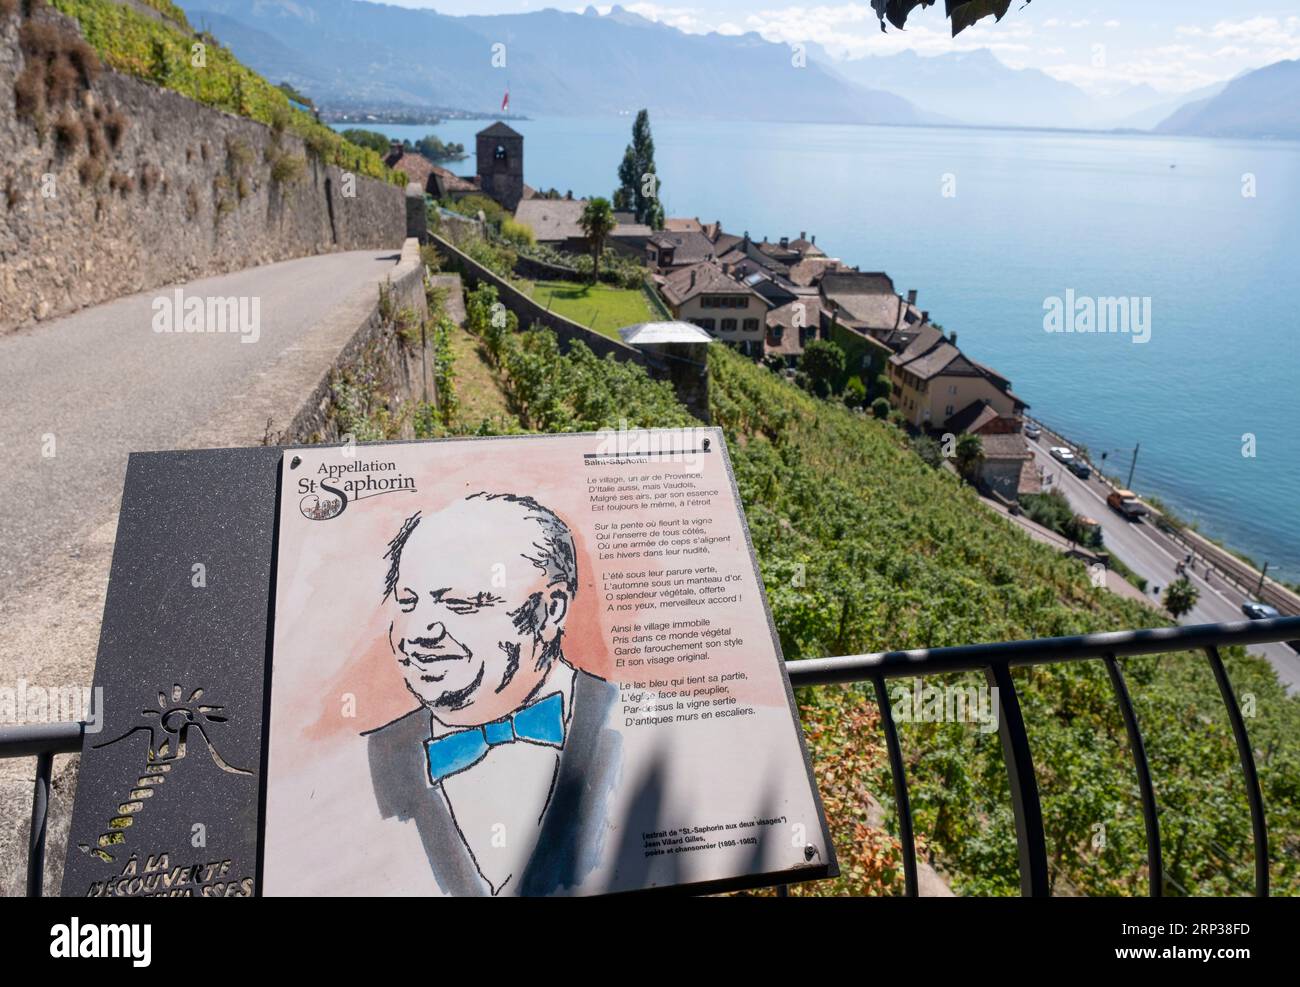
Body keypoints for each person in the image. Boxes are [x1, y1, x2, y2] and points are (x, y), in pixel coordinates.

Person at [364, 492, 621, 896]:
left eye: (459, 603)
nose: (418, 632)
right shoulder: (349, 771)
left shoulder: (651, 728)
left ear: (551, 610)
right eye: (408, 602)